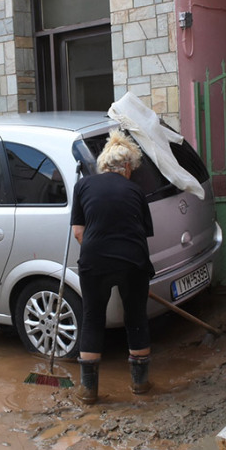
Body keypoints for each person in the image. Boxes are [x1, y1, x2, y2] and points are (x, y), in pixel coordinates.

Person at [70, 129, 155, 404]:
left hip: (94, 260)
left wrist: (99, 255)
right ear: (127, 166)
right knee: (135, 317)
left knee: (93, 317)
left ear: (104, 164)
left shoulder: (83, 186)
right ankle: (140, 386)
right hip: (133, 261)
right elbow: (142, 233)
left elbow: (78, 232)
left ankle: (88, 392)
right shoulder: (135, 190)